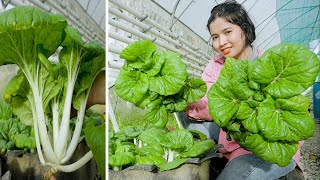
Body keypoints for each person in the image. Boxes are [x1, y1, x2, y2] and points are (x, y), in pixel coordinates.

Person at [183, 1, 303, 179]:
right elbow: (209, 100)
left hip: (267, 146)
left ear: (244, 29)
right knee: (185, 121)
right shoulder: (216, 65)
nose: (221, 42)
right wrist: (184, 95)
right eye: (215, 37)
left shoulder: (270, 65)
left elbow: (294, 118)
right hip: (233, 137)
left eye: (227, 32)